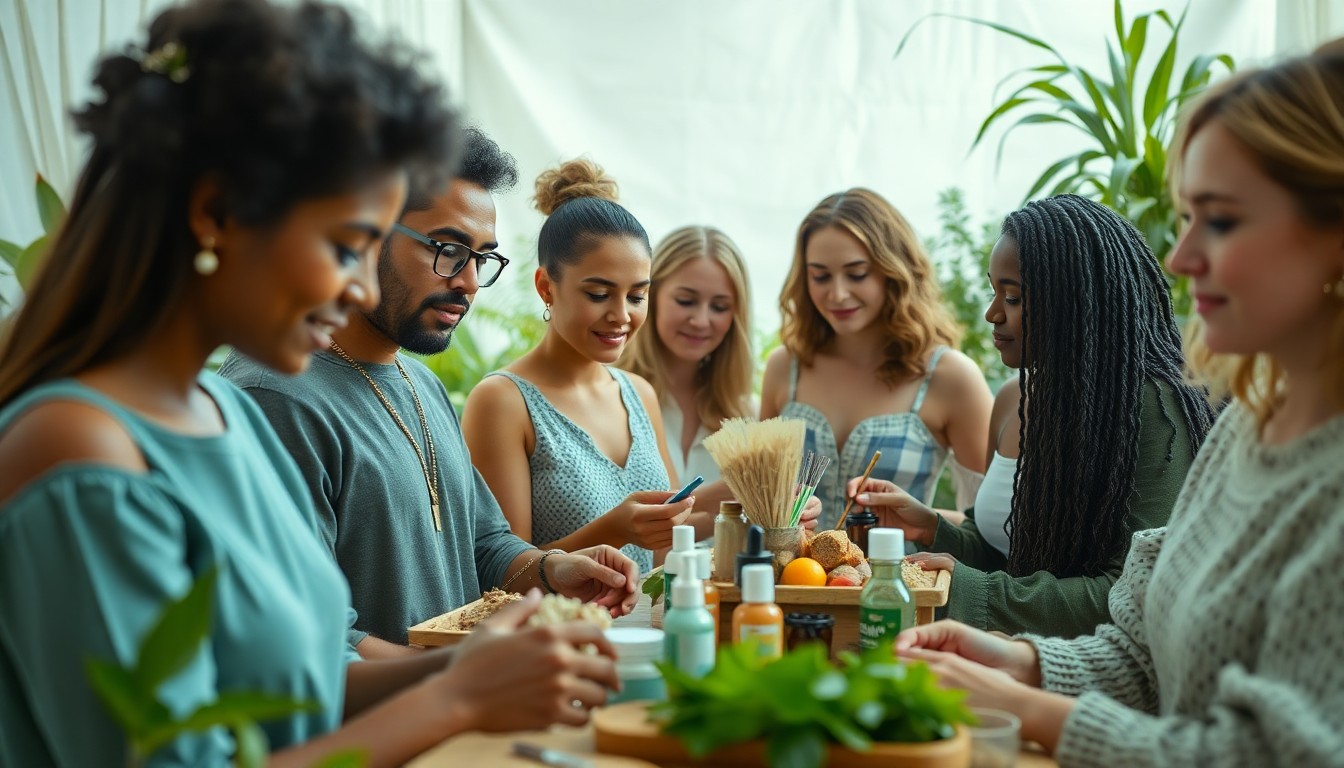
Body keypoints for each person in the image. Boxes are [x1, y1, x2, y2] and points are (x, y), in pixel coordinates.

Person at [0, 3, 620, 765]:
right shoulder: (79, 454)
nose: (361, 291)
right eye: (346, 246)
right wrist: (453, 697)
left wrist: (471, 663)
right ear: (215, 214)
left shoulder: (224, 412)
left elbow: (307, 682)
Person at [895, 44, 1344, 766]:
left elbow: (1274, 755)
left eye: (1222, 221)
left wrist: (1025, 706)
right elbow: (1142, 652)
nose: (1180, 256)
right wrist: (1023, 662)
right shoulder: (1243, 430)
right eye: (1187, 216)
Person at [220, 127, 640, 658]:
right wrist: (460, 679)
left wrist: (554, 570)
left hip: (452, 726)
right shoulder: (273, 396)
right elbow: (309, 641)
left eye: (482, 258)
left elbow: (485, 545)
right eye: (447, 249)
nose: (467, 282)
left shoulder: (423, 384)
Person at [850, 194, 1214, 637]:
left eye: (1014, 296)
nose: (992, 313)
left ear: (1076, 302)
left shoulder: (1152, 409)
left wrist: (970, 591)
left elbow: (1130, 591)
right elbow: (1016, 557)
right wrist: (933, 528)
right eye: (993, 290)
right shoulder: (1013, 401)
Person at [462, 159, 689, 575]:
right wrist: (614, 529)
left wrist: (751, 507)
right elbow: (498, 571)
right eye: (600, 294)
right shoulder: (502, 401)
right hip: (558, 636)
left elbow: (672, 534)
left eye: (637, 297)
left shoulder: (639, 393)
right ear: (547, 287)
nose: (621, 315)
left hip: (650, 633)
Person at [761, 188, 993, 530]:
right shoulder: (785, 367)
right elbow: (759, 497)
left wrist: (915, 519)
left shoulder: (950, 377)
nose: (837, 294)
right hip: (794, 582)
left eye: (857, 274)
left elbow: (992, 526)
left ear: (894, 271)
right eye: (820, 276)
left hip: (898, 582)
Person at [616, 225, 820, 534]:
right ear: (648, 296)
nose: (700, 320)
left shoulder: (748, 414)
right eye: (685, 301)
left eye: (720, 307)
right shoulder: (613, 399)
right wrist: (728, 496)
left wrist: (787, 509)